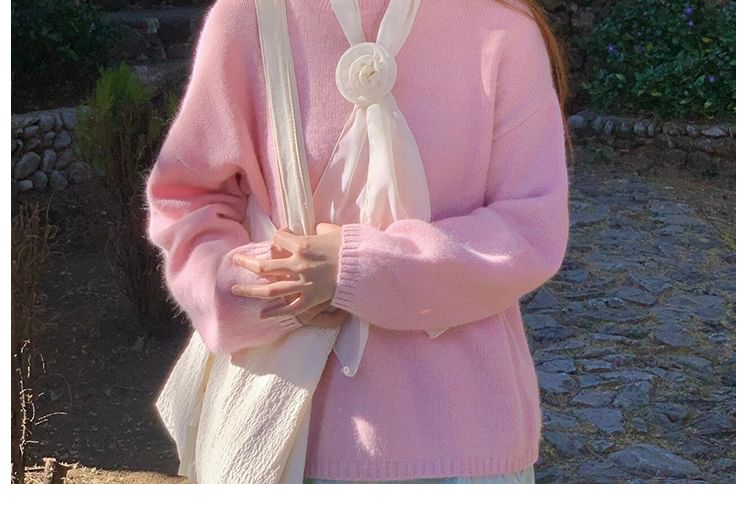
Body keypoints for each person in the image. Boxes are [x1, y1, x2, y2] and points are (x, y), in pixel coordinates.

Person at [145, 0, 571, 484]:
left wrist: (357, 268)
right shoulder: (252, 16)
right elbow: (189, 197)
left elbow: (529, 225)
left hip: (467, 446)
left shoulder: (502, 27)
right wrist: (268, 286)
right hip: (284, 430)